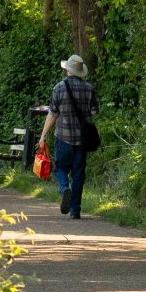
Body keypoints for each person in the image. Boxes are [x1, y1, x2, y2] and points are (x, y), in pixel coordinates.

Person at [38, 54, 98, 218]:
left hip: (63, 137)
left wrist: (43, 136)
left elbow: (52, 115)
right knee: (78, 173)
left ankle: (64, 188)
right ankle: (75, 211)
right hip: (82, 140)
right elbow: (93, 112)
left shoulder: (59, 88)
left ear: (68, 71)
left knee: (61, 168)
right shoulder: (89, 89)